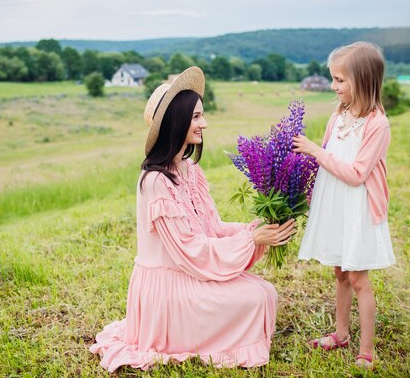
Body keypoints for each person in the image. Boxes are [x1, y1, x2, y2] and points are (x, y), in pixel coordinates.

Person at [90, 66, 296, 372]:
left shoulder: (190, 170)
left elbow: (212, 228)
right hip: (168, 287)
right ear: (177, 121)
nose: (205, 123)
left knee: (265, 292)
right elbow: (189, 250)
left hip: (188, 273)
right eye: (197, 117)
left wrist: (255, 228)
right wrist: (251, 240)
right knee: (255, 297)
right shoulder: (155, 181)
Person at [292, 42, 396, 369]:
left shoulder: (377, 124)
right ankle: (341, 333)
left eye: (340, 80)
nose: (334, 87)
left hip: (358, 207)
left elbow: (355, 173)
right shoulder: (339, 115)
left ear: (363, 81)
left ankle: (367, 349)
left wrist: (315, 151)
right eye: (333, 79)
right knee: (339, 272)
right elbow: (326, 155)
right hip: (335, 203)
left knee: (358, 278)